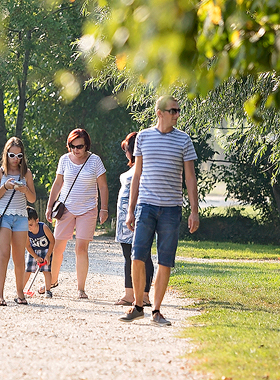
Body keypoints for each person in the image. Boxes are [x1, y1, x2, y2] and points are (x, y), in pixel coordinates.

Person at [120, 95, 199, 326]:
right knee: (137, 256)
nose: (176, 114)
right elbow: (137, 174)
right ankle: (137, 306)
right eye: (172, 110)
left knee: (166, 261)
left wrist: (194, 210)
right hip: (146, 206)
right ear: (160, 112)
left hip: (171, 209)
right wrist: (130, 209)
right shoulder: (143, 137)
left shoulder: (184, 140)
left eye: (178, 110)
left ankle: (156, 311)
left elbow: (190, 177)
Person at [45, 129, 108, 299]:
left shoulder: (95, 161)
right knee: (57, 247)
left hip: (87, 209)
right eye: (72, 146)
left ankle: (81, 289)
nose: (75, 150)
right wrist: (49, 206)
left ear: (86, 145)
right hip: (66, 208)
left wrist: (104, 209)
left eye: (79, 146)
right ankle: (51, 281)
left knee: (81, 249)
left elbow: (102, 186)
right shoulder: (64, 160)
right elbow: (57, 184)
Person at [0, 137, 37, 305]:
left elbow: (32, 198)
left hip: (21, 217)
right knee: (3, 255)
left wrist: (24, 189)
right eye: (12, 155)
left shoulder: (26, 174)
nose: (15, 159)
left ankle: (20, 293)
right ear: (6, 155)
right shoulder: (0, 173)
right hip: (4, 216)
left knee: (19, 257)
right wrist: (5, 187)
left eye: (19, 156)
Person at [115, 131, 153, 306]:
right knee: (127, 255)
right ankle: (130, 293)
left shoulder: (145, 168)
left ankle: (144, 295)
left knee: (143, 255)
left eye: (126, 150)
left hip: (138, 215)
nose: (126, 154)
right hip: (125, 217)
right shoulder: (134, 168)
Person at [24, 207, 55, 297]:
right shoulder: (26, 231)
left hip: (45, 250)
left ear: (37, 220)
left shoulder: (43, 227)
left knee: (46, 271)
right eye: (26, 225)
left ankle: (48, 291)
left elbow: (52, 241)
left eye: (31, 224)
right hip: (33, 251)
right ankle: (20, 290)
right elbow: (28, 246)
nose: (29, 227)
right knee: (27, 270)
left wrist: (48, 255)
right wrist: (35, 257)